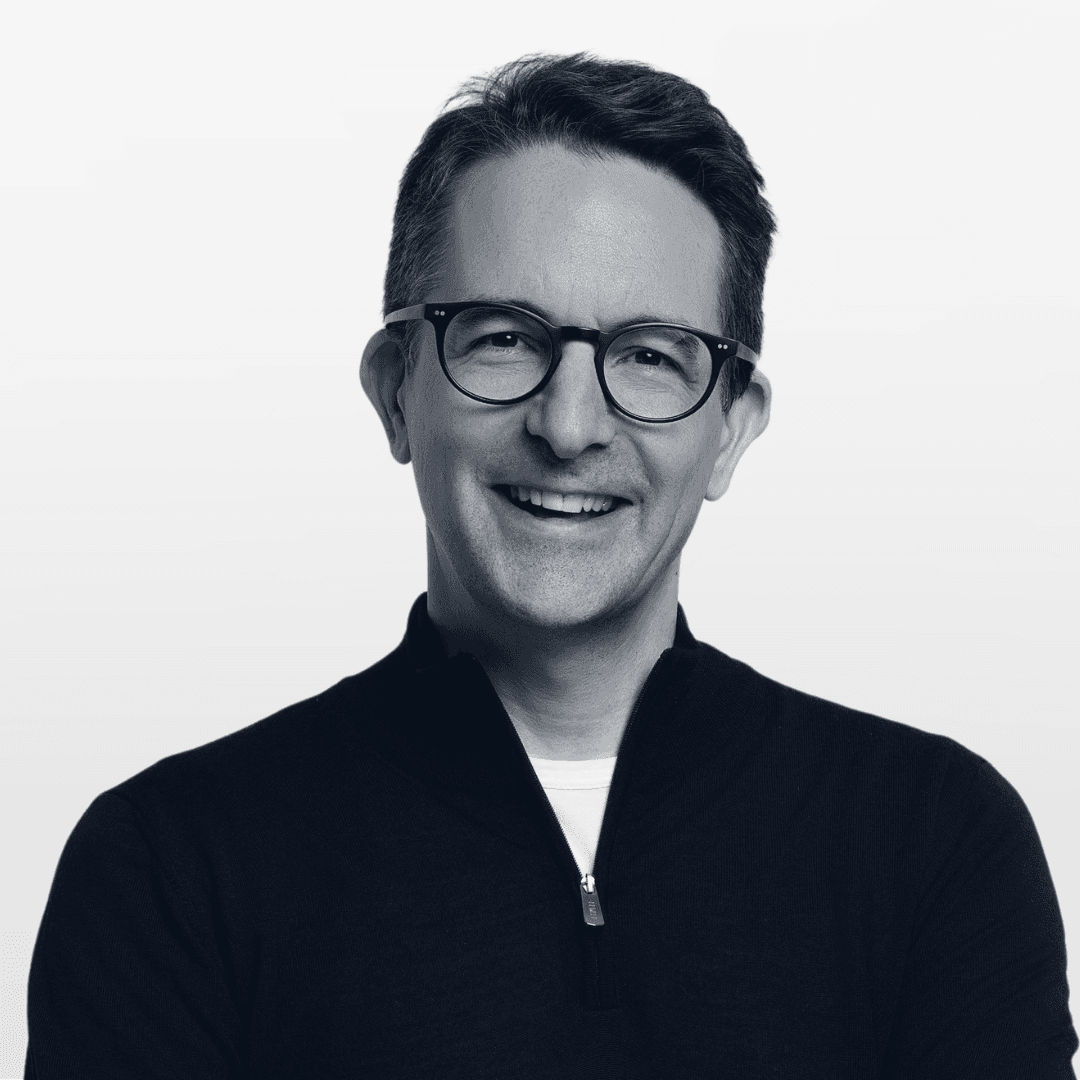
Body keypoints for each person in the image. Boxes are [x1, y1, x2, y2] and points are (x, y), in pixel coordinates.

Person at [24, 53, 1077, 1079]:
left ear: (732, 430)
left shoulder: (934, 842)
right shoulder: (171, 866)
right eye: (502, 339)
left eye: (651, 356)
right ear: (397, 390)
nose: (570, 425)